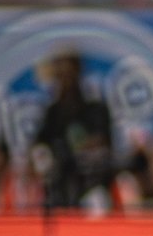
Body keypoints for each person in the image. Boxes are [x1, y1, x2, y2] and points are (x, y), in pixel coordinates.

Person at [31, 51, 115, 212]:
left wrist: (83, 147)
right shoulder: (53, 112)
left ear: (77, 73)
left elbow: (100, 144)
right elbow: (40, 147)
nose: (65, 79)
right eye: (60, 74)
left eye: (68, 73)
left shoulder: (96, 109)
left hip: (93, 184)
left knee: (96, 203)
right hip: (60, 187)